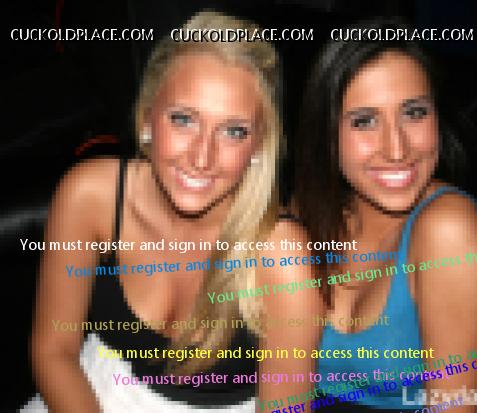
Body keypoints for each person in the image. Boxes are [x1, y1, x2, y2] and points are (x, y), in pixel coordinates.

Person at [25, 11, 322, 413]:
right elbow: (54, 351)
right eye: (183, 120)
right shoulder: (91, 196)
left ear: (258, 146)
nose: (202, 157)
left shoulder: (282, 257)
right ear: (147, 116)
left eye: (233, 131)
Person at [294, 18, 477, 411]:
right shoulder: (307, 215)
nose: (396, 149)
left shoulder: (450, 232)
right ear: (326, 133)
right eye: (365, 121)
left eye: (414, 113)